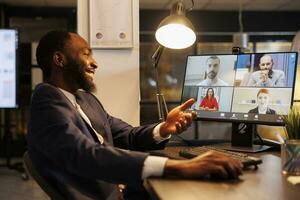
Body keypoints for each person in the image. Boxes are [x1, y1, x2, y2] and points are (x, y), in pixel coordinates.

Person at [27, 31, 242, 200]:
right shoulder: (46, 99)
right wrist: (177, 166)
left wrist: (163, 129)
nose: (95, 63)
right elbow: (85, 154)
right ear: (59, 59)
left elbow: (127, 136)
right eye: (86, 54)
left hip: (122, 190)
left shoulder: (86, 99)